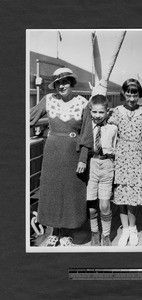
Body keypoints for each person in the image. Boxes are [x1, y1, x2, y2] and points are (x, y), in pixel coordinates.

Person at [30, 67, 90, 247]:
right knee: (52, 192)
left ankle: (67, 233)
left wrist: (83, 158)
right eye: (57, 83)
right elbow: (30, 117)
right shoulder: (48, 100)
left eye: (65, 82)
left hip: (73, 153)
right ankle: (54, 231)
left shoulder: (83, 103)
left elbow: (87, 134)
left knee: (70, 193)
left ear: (71, 83)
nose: (61, 86)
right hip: (52, 153)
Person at [109, 79, 142, 246]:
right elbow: (107, 130)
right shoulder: (116, 111)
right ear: (123, 94)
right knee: (121, 195)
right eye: (129, 94)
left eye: (135, 94)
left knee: (133, 195)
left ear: (139, 94)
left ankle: (133, 229)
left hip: (138, 156)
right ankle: (125, 229)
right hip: (121, 155)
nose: (132, 98)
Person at [86, 94, 117, 246]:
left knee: (104, 205)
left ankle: (106, 235)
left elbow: (116, 147)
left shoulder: (113, 128)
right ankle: (94, 232)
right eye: (94, 112)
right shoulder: (86, 127)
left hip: (107, 166)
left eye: (101, 112)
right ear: (90, 110)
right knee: (91, 206)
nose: (97, 116)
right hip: (91, 165)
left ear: (107, 112)